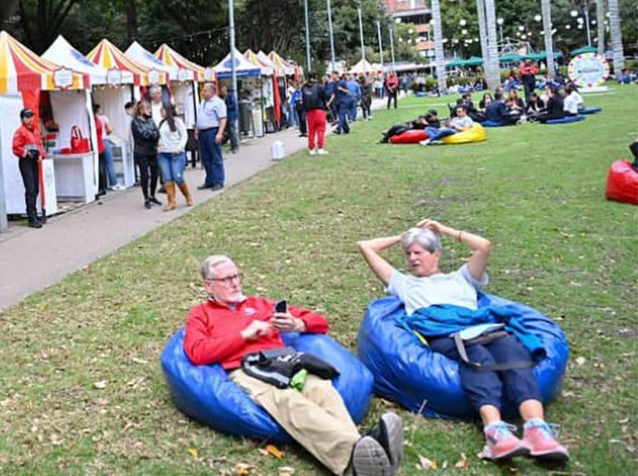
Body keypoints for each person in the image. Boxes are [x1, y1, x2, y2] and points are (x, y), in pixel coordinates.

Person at [357, 221, 569, 462]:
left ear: (435, 253)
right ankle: (496, 432)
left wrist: (445, 230)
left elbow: (484, 246)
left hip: (484, 328)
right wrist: (404, 236)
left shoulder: (462, 278)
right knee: (478, 359)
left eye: (418, 252)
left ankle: (536, 429)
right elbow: (366, 247)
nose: (412, 258)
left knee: (514, 352)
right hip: (447, 335)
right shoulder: (404, 283)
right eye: (408, 254)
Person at [184, 255, 404, 476]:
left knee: (321, 389)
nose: (234, 283)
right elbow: (197, 352)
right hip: (247, 369)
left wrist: (297, 323)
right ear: (208, 284)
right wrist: (244, 335)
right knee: (288, 400)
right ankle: (355, 460)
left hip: (283, 361)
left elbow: (320, 322)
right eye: (226, 279)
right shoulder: (201, 314)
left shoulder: (260, 304)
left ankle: (365, 455)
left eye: (236, 276)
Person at [12, 108, 45, 228]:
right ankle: (31, 218)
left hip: (34, 161)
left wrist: (41, 154)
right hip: (26, 161)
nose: (30, 119)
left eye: (31, 116)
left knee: (35, 188)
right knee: (30, 188)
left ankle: (35, 215)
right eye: (27, 117)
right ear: (22, 119)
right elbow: (15, 147)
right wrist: (27, 153)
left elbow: (39, 144)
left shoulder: (35, 130)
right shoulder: (20, 132)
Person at [157, 104, 192, 211]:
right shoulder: (161, 123)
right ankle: (171, 201)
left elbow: (184, 136)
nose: (160, 112)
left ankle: (187, 195)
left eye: (162, 110)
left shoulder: (177, 122)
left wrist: (179, 148)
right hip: (164, 153)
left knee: (177, 177)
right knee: (167, 177)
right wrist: (158, 144)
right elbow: (160, 136)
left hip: (176, 153)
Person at [195, 82, 227, 191]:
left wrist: (220, 133)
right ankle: (210, 180)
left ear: (212, 91)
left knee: (215, 157)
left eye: (205, 90)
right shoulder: (203, 102)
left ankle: (218, 181)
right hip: (202, 132)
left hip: (212, 131)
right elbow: (200, 116)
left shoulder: (218, 103)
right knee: (206, 158)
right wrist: (197, 129)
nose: (203, 92)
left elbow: (223, 119)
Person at [131, 100, 161, 209]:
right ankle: (146, 198)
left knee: (155, 174)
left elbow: (157, 133)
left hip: (152, 150)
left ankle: (152, 195)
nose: (149, 111)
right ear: (141, 110)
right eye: (147, 109)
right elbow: (142, 135)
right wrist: (152, 134)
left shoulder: (151, 121)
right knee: (145, 175)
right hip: (142, 152)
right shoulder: (135, 122)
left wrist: (153, 135)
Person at [300, 73, 330, 156]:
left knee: (311, 131)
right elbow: (325, 97)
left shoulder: (304, 87)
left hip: (309, 112)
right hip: (319, 110)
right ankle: (320, 148)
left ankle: (311, 149)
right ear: (315, 77)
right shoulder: (319, 86)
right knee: (320, 130)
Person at [93, 104, 120, 195]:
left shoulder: (92, 119)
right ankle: (113, 183)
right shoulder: (103, 118)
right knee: (109, 162)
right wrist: (106, 133)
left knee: (100, 164)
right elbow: (110, 129)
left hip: (96, 141)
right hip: (104, 140)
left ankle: (102, 185)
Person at [220, 83, 240, 153]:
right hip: (226, 117)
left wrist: (225, 106)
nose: (222, 92)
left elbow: (233, 105)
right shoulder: (224, 97)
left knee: (232, 131)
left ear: (226, 90)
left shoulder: (231, 96)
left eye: (223, 91)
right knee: (229, 132)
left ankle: (235, 147)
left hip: (231, 116)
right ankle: (232, 146)